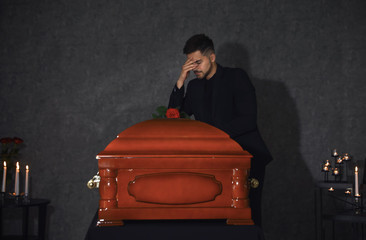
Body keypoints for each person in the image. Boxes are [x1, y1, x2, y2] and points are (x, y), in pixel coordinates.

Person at [168, 34, 273, 226]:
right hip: (213, 159)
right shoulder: (193, 87)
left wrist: (212, 136)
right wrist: (182, 78)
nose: (194, 68)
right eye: (190, 64)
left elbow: (248, 120)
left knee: (248, 214)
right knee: (216, 215)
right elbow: (175, 116)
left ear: (213, 57)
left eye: (198, 62)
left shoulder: (236, 77)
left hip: (247, 154)